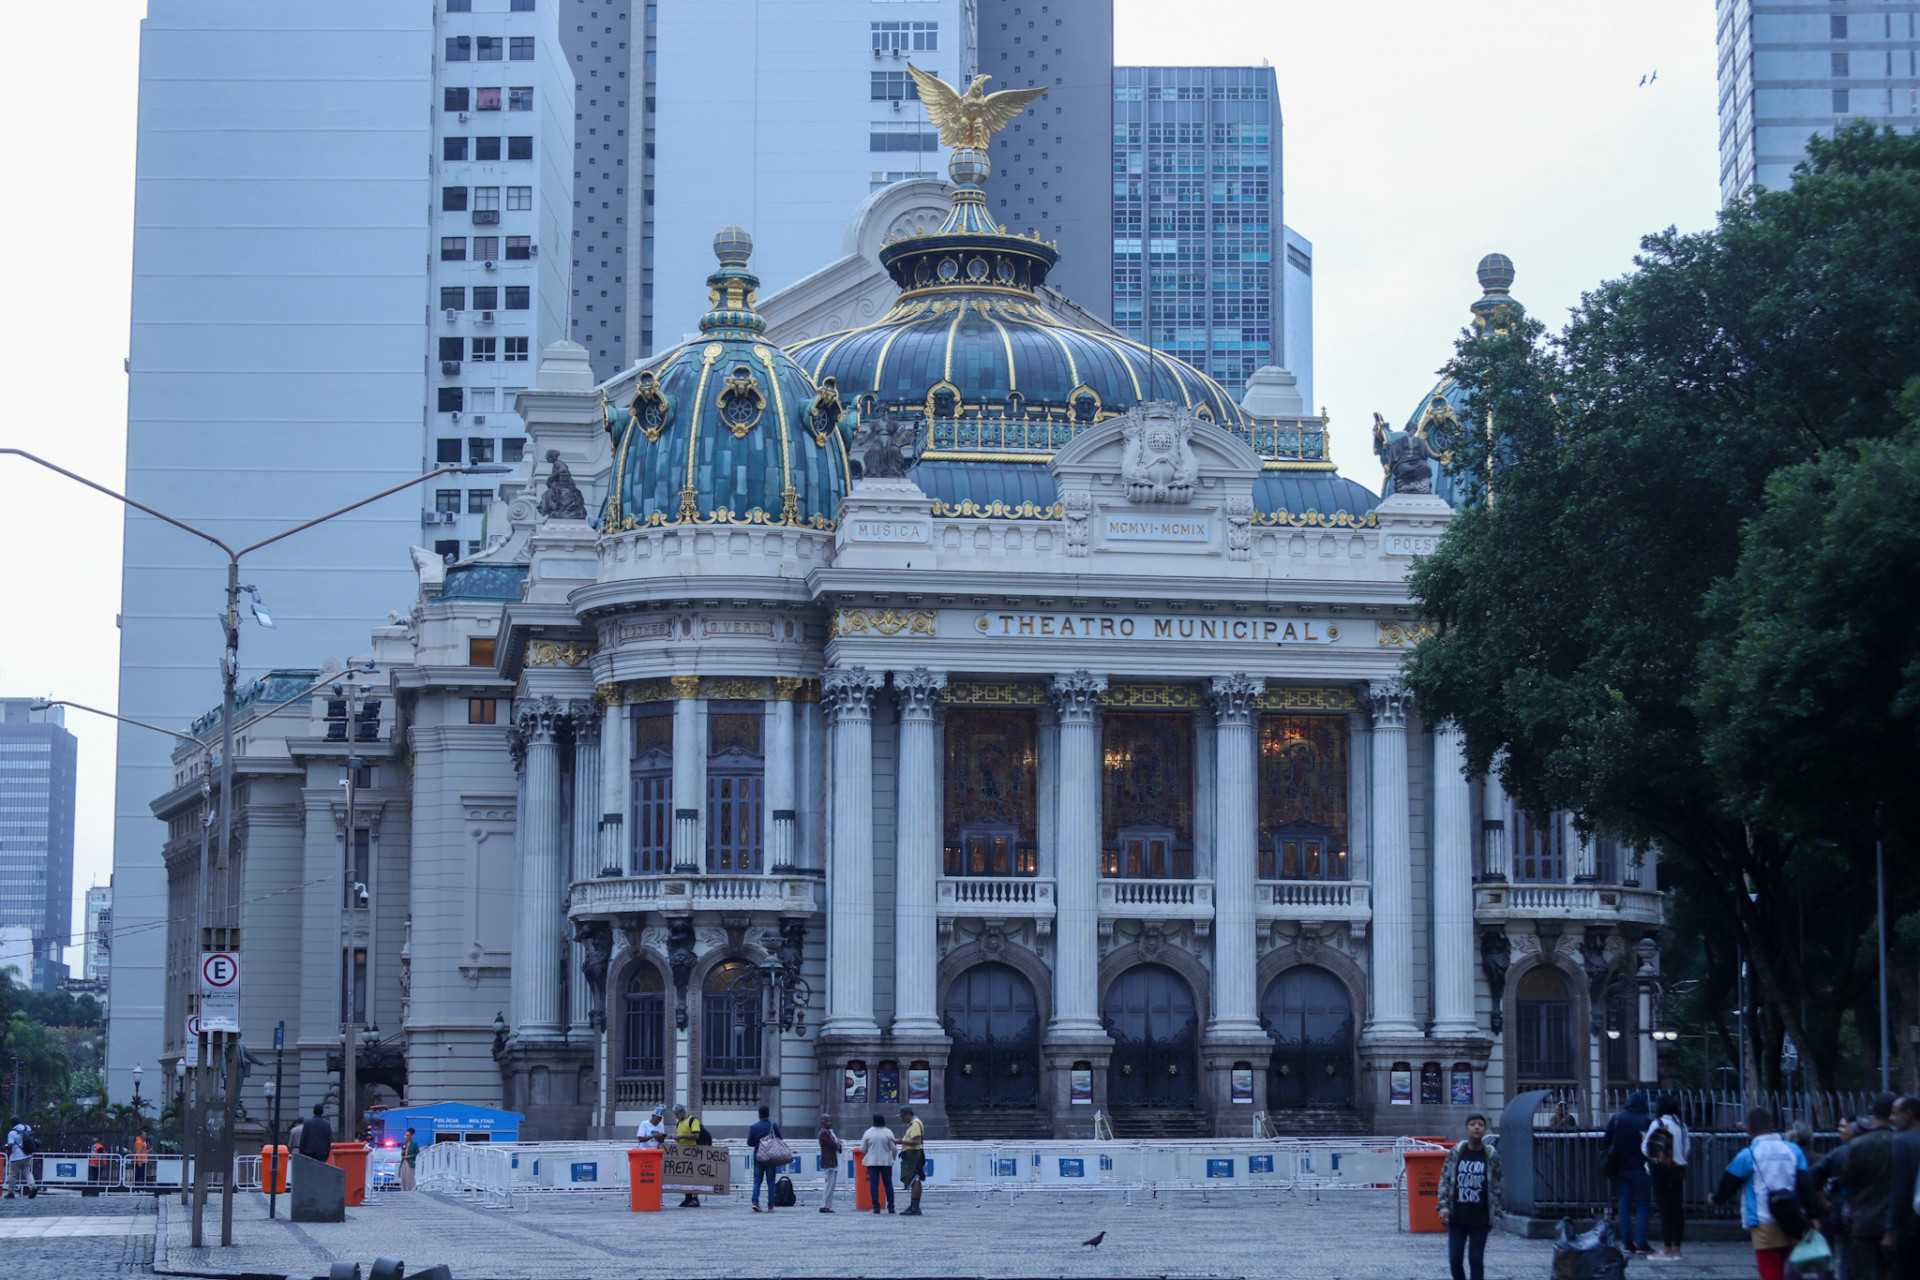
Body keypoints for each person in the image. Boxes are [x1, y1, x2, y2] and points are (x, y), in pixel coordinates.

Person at [1710, 1106, 1810, 1280]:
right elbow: (1806, 1185)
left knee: (1771, 1270)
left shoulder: (1747, 1155)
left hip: (1763, 1221)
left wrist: (1715, 1199)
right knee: (1792, 1270)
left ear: (1748, 1130)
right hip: (1793, 1219)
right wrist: (1813, 1215)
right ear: (1772, 1126)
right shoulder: (1794, 1151)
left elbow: (1727, 1186)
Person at [1815, 1095, 1895, 1280]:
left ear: (1871, 1111)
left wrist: (1852, 1207)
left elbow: (1848, 1186)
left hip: (1864, 1221)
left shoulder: (1857, 1146)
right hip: (1895, 1221)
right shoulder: (1900, 1142)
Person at [1438, 1113, 1503, 1280]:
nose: (1476, 1127)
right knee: (1454, 1259)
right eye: (1472, 1124)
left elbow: (1497, 1184)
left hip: (1480, 1218)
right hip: (1457, 1216)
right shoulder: (1457, 1151)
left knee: (1476, 1259)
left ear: (1485, 1129)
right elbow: (1445, 1179)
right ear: (1466, 1129)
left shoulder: (1490, 1154)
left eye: (1480, 1125)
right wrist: (1443, 1206)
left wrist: (1496, 1212)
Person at [1605, 1091, 1655, 1254]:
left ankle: (1627, 1242)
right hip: (1642, 1170)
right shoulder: (1645, 1121)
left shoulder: (1617, 1119)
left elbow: (1606, 1143)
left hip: (1621, 1169)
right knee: (1642, 1206)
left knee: (1624, 1205)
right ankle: (1641, 1242)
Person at [1644, 1094, 1691, 1261]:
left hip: (1661, 1171)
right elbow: (1686, 1149)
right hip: (1678, 1171)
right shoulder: (1682, 1126)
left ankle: (1667, 1248)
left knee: (1665, 1210)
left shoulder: (1657, 1124)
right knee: (1677, 1210)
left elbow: (1646, 1148)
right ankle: (1677, 1249)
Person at [1885, 1096, 1920, 1280]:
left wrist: (1890, 1229)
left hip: (1909, 1226)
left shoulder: (1901, 1141)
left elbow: (1898, 1190)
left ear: (1908, 1115)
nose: (1891, 1118)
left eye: (1894, 1113)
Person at [858, 1113, 898, 1214]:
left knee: (874, 1184)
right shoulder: (888, 1132)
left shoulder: (868, 1133)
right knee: (888, 1184)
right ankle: (891, 1206)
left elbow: (862, 1149)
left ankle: (876, 1206)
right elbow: (894, 1148)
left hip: (872, 1162)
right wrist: (892, 1158)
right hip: (886, 1162)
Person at [748, 1105, 784, 1212]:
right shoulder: (773, 1125)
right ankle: (770, 1205)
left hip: (758, 1157)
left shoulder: (754, 1127)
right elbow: (780, 1139)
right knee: (771, 1182)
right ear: (768, 1114)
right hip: (771, 1157)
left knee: (757, 1182)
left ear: (759, 1114)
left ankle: (755, 1202)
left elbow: (749, 1142)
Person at [672, 1103, 705, 1207]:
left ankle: (695, 1198)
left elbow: (696, 1135)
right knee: (685, 1176)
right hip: (683, 1153)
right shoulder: (679, 1123)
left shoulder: (693, 1120)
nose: (676, 1117)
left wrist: (681, 1136)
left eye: (677, 1114)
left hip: (693, 1151)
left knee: (694, 1176)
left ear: (683, 1112)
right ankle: (688, 1197)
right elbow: (679, 1135)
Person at [897, 1106, 926, 1216]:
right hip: (913, 1154)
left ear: (909, 1114)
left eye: (903, 1116)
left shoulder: (915, 1125)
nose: (902, 1119)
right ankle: (914, 1206)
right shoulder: (916, 1123)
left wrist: (901, 1141)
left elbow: (915, 1141)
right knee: (915, 1179)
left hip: (912, 1155)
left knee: (914, 1179)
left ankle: (915, 1207)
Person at [817, 1114, 844, 1213]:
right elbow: (834, 1144)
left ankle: (827, 1205)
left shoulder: (827, 1132)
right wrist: (839, 1144)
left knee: (830, 1184)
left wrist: (838, 1144)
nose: (830, 1123)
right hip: (830, 1161)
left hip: (831, 1160)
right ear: (823, 1122)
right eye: (828, 1121)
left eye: (831, 1121)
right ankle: (824, 1205)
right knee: (829, 1184)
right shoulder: (825, 1133)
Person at [4, 1116, 33, 1199]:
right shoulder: (26, 1128)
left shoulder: (12, 1133)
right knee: (27, 1173)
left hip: (16, 1157)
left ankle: (11, 1192)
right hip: (27, 1155)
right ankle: (33, 1187)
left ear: (12, 1123)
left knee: (13, 1175)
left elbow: (10, 1145)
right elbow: (32, 1130)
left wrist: (7, 1151)